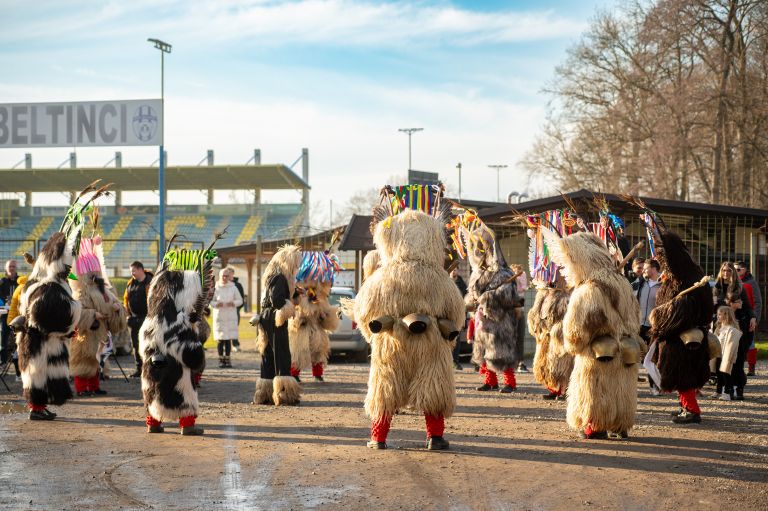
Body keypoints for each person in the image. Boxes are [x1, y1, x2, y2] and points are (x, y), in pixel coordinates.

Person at [354, 206, 464, 450]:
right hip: (431, 342)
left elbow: (363, 311)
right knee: (433, 388)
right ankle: (434, 437)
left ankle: (378, 437)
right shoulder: (440, 278)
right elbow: (456, 314)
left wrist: (373, 337)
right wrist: (447, 341)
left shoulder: (382, 277)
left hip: (391, 341)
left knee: (386, 390)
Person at [545, 231, 644, 439]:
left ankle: (595, 425)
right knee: (620, 387)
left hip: (598, 354)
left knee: (597, 389)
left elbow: (575, 335)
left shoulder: (588, 290)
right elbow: (636, 316)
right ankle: (619, 425)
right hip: (625, 348)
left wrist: (565, 340)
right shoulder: (623, 284)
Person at [141, 237, 220, 436]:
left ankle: (153, 422)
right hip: (176, 366)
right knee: (184, 387)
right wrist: (198, 358)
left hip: (154, 358)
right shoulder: (181, 322)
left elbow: (142, 347)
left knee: (152, 387)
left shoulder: (150, 321)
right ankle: (187, 424)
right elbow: (192, 356)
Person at [463, 221, 522, 394]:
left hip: (500, 322)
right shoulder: (477, 273)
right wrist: (471, 300)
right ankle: (490, 381)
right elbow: (471, 294)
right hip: (483, 322)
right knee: (484, 352)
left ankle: (510, 382)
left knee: (502, 352)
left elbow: (509, 295)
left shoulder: (504, 273)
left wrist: (487, 298)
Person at [70, 237, 126, 396]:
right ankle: (82, 388)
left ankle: (94, 386)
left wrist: (117, 309)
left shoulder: (103, 291)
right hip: (84, 334)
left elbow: (117, 305)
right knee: (82, 358)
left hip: (99, 332)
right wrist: (94, 314)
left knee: (96, 359)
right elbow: (77, 311)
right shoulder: (80, 292)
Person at [253, 245, 302, 406]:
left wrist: (293, 293)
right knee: (281, 355)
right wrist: (289, 304)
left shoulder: (273, 275)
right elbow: (277, 301)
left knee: (268, 355)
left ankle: (265, 394)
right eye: (295, 263)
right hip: (274, 318)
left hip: (266, 317)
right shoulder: (280, 277)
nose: (297, 266)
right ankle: (285, 395)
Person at [123, 261, 153, 377]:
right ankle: (139, 368)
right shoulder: (130, 283)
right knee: (136, 345)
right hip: (134, 320)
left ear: (141, 269)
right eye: (131, 271)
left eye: (134, 271)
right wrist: (128, 314)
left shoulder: (150, 282)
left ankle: (150, 369)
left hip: (148, 319)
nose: (132, 273)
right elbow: (126, 299)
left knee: (149, 345)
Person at [637, 259, 661, 394]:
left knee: (653, 357)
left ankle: (654, 385)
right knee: (637, 354)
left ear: (654, 269)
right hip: (639, 324)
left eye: (646, 268)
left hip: (654, 326)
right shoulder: (641, 284)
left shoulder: (662, 285)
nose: (644, 270)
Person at [210, 267, 242, 368]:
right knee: (220, 339)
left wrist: (233, 303)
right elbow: (210, 301)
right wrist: (216, 304)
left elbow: (240, 300)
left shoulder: (233, 287)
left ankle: (227, 360)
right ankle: (221, 360)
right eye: (223, 276)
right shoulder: (216, 288)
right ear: (220, 276)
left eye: (226, 276)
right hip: (219, 317)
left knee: (228, 339)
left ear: (229, 277)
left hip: (230, 317)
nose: (224, 277)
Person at [725, 292, 754, 400]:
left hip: (741, 345)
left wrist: (746, 344)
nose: (741, 303)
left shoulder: (744, 314)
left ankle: (740, 389)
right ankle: (730, 389)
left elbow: (750, 331)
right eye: (738, 302)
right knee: (729, 368)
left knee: (739, 368)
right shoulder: (726, 314)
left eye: (741, 300)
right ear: (731, 303)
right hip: (729, 346)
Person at [735, 261, 762, 376]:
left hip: (749, 317)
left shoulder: (751, 283)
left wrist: (755, 318)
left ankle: (751, 368)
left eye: (738, 269)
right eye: (734, 269)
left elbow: (757, 302)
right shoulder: (733, 281)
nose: (736, 272)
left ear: (745, 269)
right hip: (735, 316)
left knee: (750, 343)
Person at [712, 305, 741, 401]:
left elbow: (731, 344)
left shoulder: (731, 329)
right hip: (719, 354)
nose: (718, 316)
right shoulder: (720, 328)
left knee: (726, 374)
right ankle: (718, 390)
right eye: (717, 314)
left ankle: (727, 392)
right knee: (719, 373)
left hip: (727, 355)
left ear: (726, 315)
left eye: (720, 314)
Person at [511, 263, 529, 373]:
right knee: (511, 337)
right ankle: (512, 361)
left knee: (520, 337)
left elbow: (523, 292)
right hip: (510, 311)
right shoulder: (509, 284)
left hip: (520, 310)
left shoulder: (522, 280)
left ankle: (520, 361)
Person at [0, 259, 19, 366]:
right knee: (4, 335)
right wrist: (5, 300)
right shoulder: (2, 281)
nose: (11, 268)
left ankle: (18, 361)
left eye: (13, 266)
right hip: (5, 314)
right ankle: (3, 361)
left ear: (16, 268)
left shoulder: (20, 281)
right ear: (6, 269)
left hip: (18, 314)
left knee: (19, 337)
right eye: (9, 267)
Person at [450, 268, 468, 370]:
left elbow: (465, 301)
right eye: (452, 270)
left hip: (458, 315)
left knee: (457, 340)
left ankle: (455, 361)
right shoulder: (445, 282)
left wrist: (464, 318)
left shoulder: (462, 284)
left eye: (455, 270)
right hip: (446, 316)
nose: (453, 271)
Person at [231, 273, 246, 352]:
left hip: (235, 309)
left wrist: (237, 308)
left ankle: (235, 344)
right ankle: (224, 344)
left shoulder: (238, 285)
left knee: (234, 327)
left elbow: (242, 298)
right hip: (224, 310)